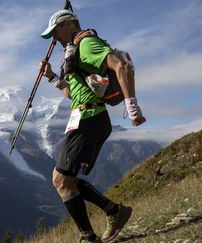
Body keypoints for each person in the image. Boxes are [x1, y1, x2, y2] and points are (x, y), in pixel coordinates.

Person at [38, 9, 146, 243]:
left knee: (61, 180)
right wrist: (51, 77)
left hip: (90, 117)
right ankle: (114, 212)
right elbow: (72, 92)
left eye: (55, 31)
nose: (54, 38)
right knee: (66, 180)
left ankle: (90, 236)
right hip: (86, 115)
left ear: (69, 24)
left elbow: (121, 67)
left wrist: (132, 106)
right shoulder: (74, 52)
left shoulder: (86, 43)